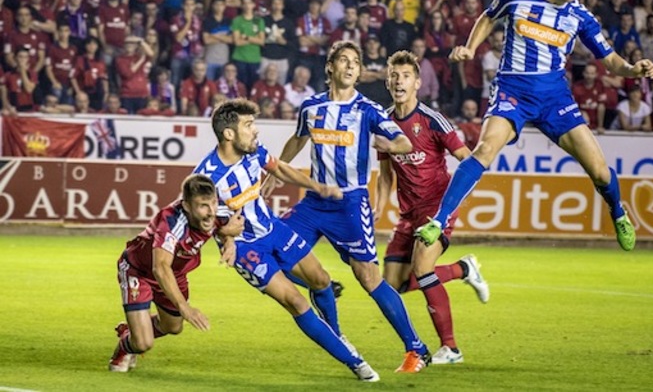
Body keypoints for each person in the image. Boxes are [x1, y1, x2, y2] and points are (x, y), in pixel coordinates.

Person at [415, 0, 653, 253]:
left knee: (600, 172)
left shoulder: (580, 16)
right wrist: (470, 47)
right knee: (484, 149)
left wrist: (633, 69)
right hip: (512, 91)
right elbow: (488, 17)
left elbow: (609, 59)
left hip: (555, 99)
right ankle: (439, 221)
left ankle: (618, 211)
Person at [268, 41, 431, 373]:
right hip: (314, 203)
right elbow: (299, 139)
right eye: (344, 60)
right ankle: (336, 326)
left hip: (350, 204)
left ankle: (417, 349)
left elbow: (405, 141)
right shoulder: (311, 106)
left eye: (355, 62)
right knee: (273, 254)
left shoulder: (367, 110)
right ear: (330, 67)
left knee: (369, 277)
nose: (350, 66)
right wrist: (275, 170)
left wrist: (390, 144)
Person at [194, 99, 379, 382]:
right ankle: (355, 362)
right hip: (245, 249)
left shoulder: (253, 152)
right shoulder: (206, 178)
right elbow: (202, 222)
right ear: (229, 134)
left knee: (321, 279)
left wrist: (315, 186)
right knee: (295, 300)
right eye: (248, 125)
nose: (254, 130)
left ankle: (337, 334)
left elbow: (278, 168)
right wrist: (226, 237)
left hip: (273, 228)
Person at [374, 50, 489, 365]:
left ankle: (451, 348)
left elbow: (469, 161)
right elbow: (385, 178)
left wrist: (450, 205)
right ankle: (463, 269)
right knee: (393, 285)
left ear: (417, 83)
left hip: (436, 209)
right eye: (394, 76)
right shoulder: (383, 124)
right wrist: (375, 212)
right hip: (408, 214)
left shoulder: (432, 120)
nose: (399, 81)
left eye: (406, 76)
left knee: (423, 269)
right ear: (388, 82)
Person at [108, 174, 244, 373]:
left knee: (173, 327)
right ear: (187, 206)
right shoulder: (171, 222)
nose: (210, 212)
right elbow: (160, 268)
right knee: (143, 343)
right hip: (139, 271)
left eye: (213, 203)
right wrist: (185, 307)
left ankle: (131, 331)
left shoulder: (219, 209)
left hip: (176, 273)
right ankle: (123, 348)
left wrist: (229, 243)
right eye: (203, 206)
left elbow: (228, 228)